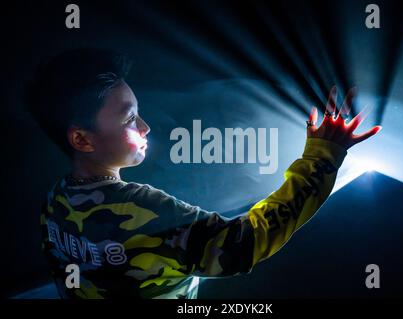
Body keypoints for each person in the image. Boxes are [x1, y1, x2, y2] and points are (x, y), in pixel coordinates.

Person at [26, 48, 381, 299]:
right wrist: (323, 155)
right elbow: (244, 244)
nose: (145, 127)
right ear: (81, 139)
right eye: (129, 118)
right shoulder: (143, 211)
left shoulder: (54, 202)